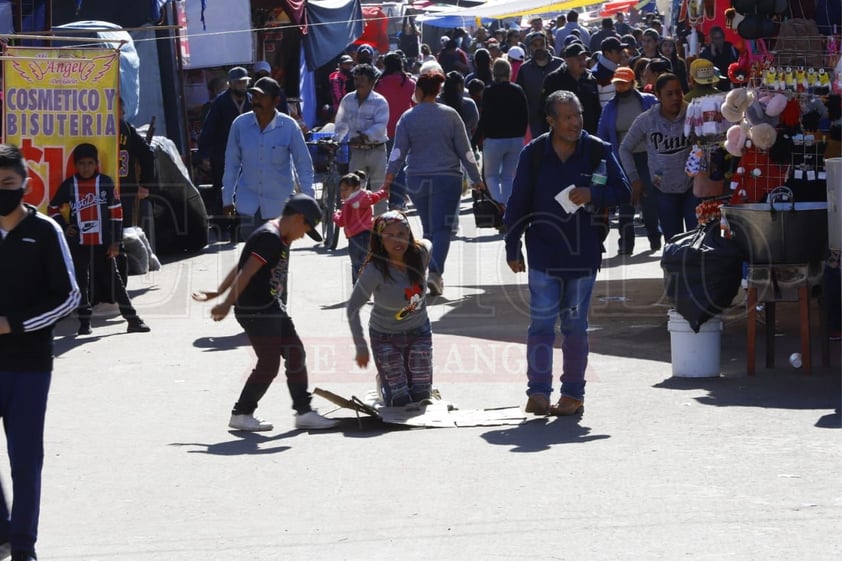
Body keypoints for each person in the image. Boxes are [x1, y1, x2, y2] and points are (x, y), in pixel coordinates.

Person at [504, 90, 630, 416]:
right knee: (541, 325)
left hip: (583, 253)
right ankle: (538, 392)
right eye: (568, 117)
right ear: (551, 121)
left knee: (575, 327)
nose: (575, 122)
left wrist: (593, 193)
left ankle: (573, 394)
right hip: (543, 251)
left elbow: (625, 190)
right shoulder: (533, 153)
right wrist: (512, 244)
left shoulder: (597, 151)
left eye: (578, 115)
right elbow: (518, 201)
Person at [192, 193, 338, 431]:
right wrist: (226, 303)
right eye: (305, 230)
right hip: (255, 309)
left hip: (269, 304)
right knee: (269, 364)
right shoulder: (270, 237)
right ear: (298, 218)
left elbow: (242, 266)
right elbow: (247, 272)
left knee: (295, 353)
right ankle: (241, 413)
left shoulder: (276, 232)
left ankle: (303, 411)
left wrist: (218, 292)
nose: (302, 236)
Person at [0, 143, 80, 561]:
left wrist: (13, 323)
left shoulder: (45, 231)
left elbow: (69, 298)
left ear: (25, 185)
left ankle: (23, 546)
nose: (2, 191)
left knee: (25, 460)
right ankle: (2, 529)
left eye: (9, 184)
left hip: (29, 366)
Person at [381, 62, 484, 296]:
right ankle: (435, 273)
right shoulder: (450, 115)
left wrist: (388, 180)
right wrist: (477, 178)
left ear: (419, 90)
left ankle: (424, 273)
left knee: (428, 230)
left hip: (416, 178)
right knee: (442, 230)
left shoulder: (407, 118)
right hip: (446, 179)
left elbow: (397, 153)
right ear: (437, 91)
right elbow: (465, 150)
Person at [48, 143, 151, 336]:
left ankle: (133, 319)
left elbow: (116, 214)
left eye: (89, 163)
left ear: (96, 164)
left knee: (114, 280)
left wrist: (115, 243)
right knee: (81, 282)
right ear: (75, 165)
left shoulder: (105, 183)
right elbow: (52, 208)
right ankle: (84, 324)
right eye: (81, 164)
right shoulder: (69, 185)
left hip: (103, 244)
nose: (85, 167)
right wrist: (64, 225)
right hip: (79, 244)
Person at [346, 211, 433, 406]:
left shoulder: (421, 253)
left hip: (419, 331)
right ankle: (384, 382)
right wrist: (360, 345)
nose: (397, 241)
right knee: (399, 400)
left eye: (402, 234)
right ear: (380, 240)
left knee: (421, 397)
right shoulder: (374, 270)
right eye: (389, 236)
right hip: (385, 335)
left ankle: (411, 381)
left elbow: (429, 243)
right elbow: (352, 308)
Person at [222, 77, 315, 240]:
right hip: (248, 205)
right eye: (254, 97)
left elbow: (304, 165)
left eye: (261, 97)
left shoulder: (289, 126)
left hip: (280, 207)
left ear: (276, 101)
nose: (256, 101)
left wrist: (307, 203)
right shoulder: (240, 125)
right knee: (253, 260)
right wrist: (227, 198)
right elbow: (231, 164)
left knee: (279, 261)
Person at [620, 73, 696, 241]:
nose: (675, 97)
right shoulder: (646, 120)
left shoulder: (693, 114)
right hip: (663, 190)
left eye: (678, 92)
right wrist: (634, 179)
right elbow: (625, 148)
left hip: (692, 188)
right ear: (658, 95)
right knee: (673, 243)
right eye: (669, 94)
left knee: (696, 241)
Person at [597, 67, 661, 255]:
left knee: (649, 201)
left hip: (647, 157)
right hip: (623, 158)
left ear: (633, 82)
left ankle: (654, 237)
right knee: (626, 200)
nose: (620, 86)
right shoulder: (610, 107)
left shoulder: (648, 101)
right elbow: (602, 134)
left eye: (624, 83)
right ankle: (626, 243)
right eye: (617, 83)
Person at [197, 66, 252, 238]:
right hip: (223, 153)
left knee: (246, 189)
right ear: (231, 84)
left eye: (244, 82)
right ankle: (223, 225)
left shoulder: (252, 100)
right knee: (224, 189)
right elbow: (209, 129)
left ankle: (240, 226)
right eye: (238, 83)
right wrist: (204, 154)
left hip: (248, 153)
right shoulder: (220, 103)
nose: (242, 86)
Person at [334, 64, 390, 216]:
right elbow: (341, 124)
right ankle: (357, 230)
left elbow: (380, 125)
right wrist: (335, 141)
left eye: (362, 80)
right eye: (356, 79)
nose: (358, 83)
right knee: (354, 193)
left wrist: (364, 137)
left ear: (372, 82)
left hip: (377, 150)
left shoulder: (380, 102)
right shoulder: (347, 100)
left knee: (379, 193)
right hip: (356, 152)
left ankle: (380, 230)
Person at [476, 58, 528, 206]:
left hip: (494, 139)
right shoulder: (517, 90)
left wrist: (475, 139)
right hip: (515, 139)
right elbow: (525, 115)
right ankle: (508, 206)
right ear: (509, 72)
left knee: (491, 175)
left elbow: (484, 117)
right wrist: (521, 134)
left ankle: (499, 204)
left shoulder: (489, 91)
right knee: (508, 176)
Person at [375, 53, 416, 210]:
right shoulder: (410, 83)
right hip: (405, 130)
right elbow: (416, 105)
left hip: (383, 130)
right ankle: (397, 201)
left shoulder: (379, 84)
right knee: (400, 167)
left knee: (387, 166)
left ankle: (388, 198)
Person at [333, 170, 388, 284]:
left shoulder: (347, 205)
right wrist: (384, 192)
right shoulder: (366, 197)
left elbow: (341, 222)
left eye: (346, 189)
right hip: (368, 234)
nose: (343, 193)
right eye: (341, 190)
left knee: (357, 265)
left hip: (354, 238)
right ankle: (375, 285)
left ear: (356, 188)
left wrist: (335, 215)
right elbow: (376, 197)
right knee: (370, 262)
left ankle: (358, 290)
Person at [542, 42, 602, 135]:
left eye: (584, 59)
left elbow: (597, 109)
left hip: (588, 135)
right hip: (562, 135)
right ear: (568, 60)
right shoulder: (553, 80)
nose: (583, 63)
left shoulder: (591, 79)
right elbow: (544, 109)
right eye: (579, 59)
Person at [117, 98, 156, 234]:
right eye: (121, 110)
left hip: (113, 190)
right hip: (124, 190)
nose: (124, 113)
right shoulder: (126, 128)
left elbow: (147, 154)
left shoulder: (125, 128)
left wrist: (145, 184)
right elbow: (148, 153)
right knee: (125, 232)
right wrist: (145, 185)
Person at [516, 31, 563, 138]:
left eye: (541, 44)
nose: (539, 48)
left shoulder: (560, 64)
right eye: (535, 45)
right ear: (530, 47)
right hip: (535, 120)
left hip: (560, 116)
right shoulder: (524, 69)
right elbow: (520, 95)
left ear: (547, 45)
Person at [699, 26, 739, 92]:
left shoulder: (729, 47)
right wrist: (712, 54)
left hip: (731, 82)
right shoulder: (706, 51)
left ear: (723, 38)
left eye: (720, 38)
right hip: (715, 84)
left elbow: (736, 62)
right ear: (712, 39)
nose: (718, 41)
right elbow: (705, 70)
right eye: (715, 38)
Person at [591, 36, 626, 108]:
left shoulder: (617, 69)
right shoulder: (597, 75)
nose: (622, 54)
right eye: (618, 52)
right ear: (607, 53)